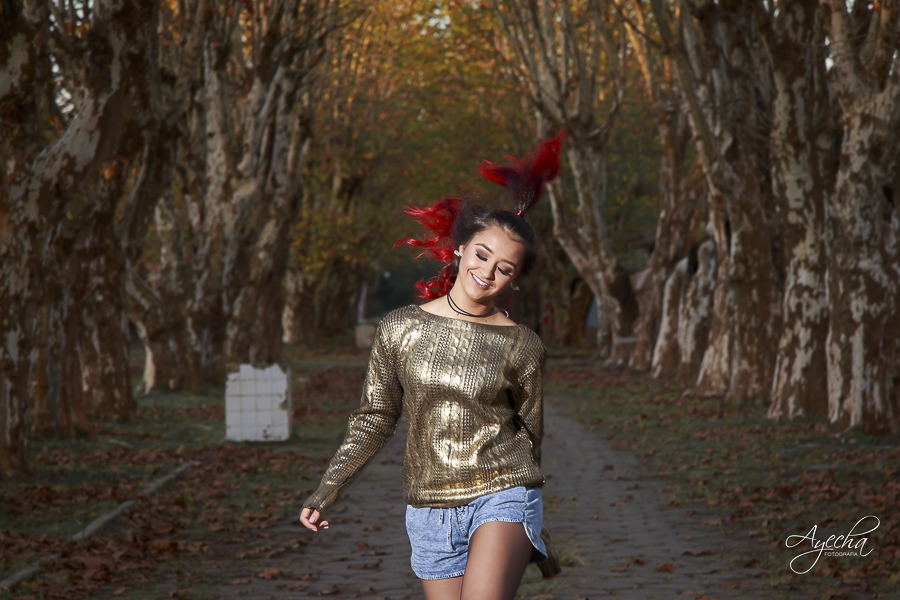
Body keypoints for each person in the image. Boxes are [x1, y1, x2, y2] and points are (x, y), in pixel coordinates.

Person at [299, 132, 565, 600]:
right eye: (483, 255)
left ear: (515, 278)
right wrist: (326, 490)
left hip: (502, 494)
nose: (488, 272)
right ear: (462, 247)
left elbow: (530, 436)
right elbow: (375, 419)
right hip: (428, 508)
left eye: (505, 268)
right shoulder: (399, 328)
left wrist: (531, 527)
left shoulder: (522, 344)